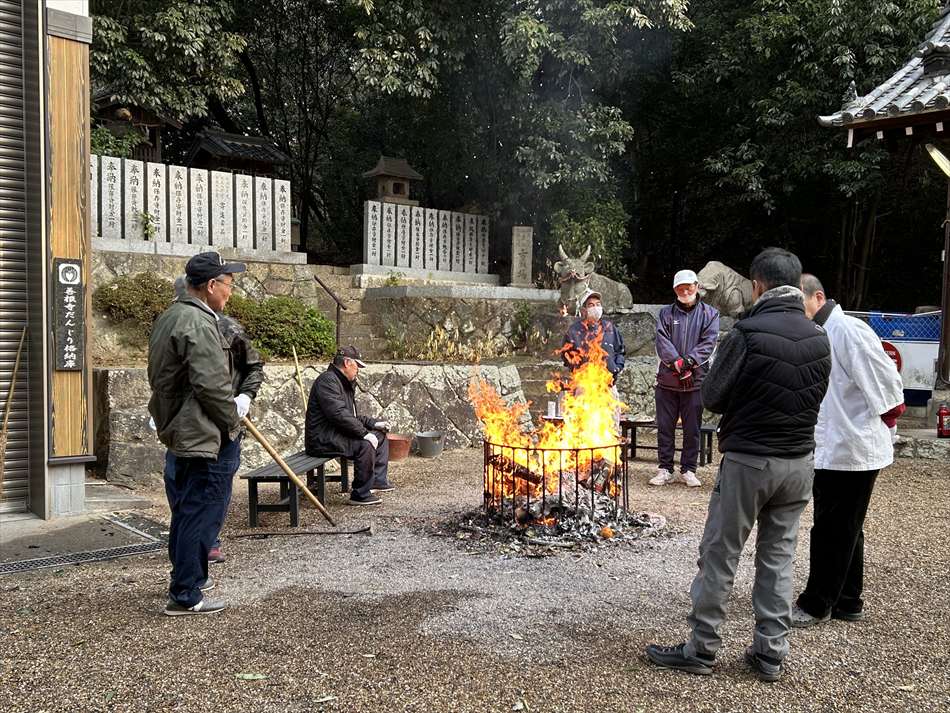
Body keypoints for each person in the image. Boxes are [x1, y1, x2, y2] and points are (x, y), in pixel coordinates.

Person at [645, 248, 831, 682]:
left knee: (721, 553)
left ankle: (701, 647)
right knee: (779, 557)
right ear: (797, 285)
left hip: (750, 460)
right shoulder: (819, 337)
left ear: (757, 285)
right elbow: (817, 394)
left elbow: (712, 396)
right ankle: (770, 652)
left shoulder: (747, 333)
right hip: (799, 462)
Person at [791, 274, 905, 627]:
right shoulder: (819, 333)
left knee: (832, 529)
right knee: (846, 527)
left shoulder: (848, 330)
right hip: (833, 445)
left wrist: (886, 422)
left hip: (853, 446)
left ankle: (817, 602)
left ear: (818, 296)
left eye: (799, 301)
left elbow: (887, 387)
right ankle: (848, 599)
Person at [148, 252, 247, 616]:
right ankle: (186, 593)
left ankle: (187, 579)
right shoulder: (200, 323)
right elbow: (213, 387)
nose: (230, 293)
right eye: (228, 285)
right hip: (203, 434)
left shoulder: (170, 316)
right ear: (211, 286)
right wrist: (233, 423)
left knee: (186, 510)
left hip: (180, 429)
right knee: (200, 512)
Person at [651, 269, 720, 487]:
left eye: (689, 287)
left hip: (695, 381)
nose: (685, 291)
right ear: (675, 290)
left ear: (697, 286)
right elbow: (662, 341)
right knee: (665, 427)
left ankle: (689, 469)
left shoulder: (710, 314)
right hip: (667, 381)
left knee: (692, 429)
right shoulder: (665, 313)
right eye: (680, 288)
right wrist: (678, 364)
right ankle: (665, 468)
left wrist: (688, 363)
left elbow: (709, 343)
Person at [305, 346, 393, 506]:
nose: (358, 370)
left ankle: (377, 481)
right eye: (357, 365)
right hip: (322, 439)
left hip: (336, 433)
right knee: (365, 444)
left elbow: (350, 416)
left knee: (379, 435)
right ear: (347, 363)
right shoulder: (327, 381)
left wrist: (374, 424)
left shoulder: (343, 382)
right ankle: (360, 494)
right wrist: (364, 434)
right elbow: (338, 415)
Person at [561, 289, 626, 381]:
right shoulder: (574, 331)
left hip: (608, 382)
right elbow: (566, 356)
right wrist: (577, 370)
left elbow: (620, 351)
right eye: (591, 305)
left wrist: (617, 367)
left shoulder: (610, 328)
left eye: (598, 304)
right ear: (583, 310)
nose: (596, 308)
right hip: (584, 383)